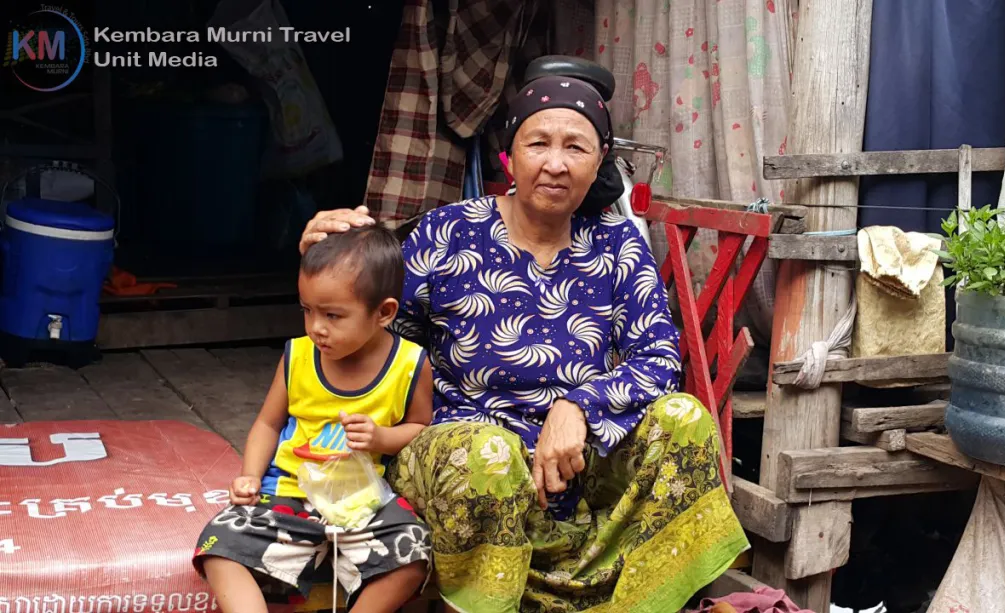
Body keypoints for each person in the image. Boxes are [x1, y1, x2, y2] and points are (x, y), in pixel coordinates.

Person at [301, 74, 749, 613]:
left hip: (576, 461)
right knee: (485, 455)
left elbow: (657, 359)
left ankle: (636, 601)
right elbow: (371, 339)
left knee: (684, 417)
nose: (556, 163)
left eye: (575, 146)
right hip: (467, 460)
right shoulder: (448, 234)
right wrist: (327, 267)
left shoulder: (615, 241)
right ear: (510, 156)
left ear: (600, 159)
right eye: (538, 143)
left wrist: (577, 405)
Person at [193, 227, 433, 613]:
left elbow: (420, 428)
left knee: (415, 552)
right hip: (288, 493)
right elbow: (268, 424)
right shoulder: (298, 356)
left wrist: (381, 437)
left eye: (333, 315)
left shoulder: (410, 365)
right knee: (218, 544)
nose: (316, 327)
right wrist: (250, 475)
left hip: (363, 503)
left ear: (384, 312)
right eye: (307, 310)